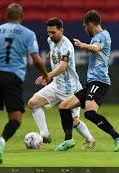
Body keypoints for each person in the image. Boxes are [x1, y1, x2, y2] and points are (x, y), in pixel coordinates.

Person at [0, 3, 49, 164]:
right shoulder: (28, 33)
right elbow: (35, 58)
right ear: (21, 17)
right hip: (13, 78)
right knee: (16, 119)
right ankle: (1, 140)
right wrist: (44, 73)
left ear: (6, 16)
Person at [59, 10, 119, 152]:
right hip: (91, 83)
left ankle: (117, 137)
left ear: (90, 24)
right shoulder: (96, 37)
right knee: (64, 106)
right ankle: (68, 140)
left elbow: (96, 48)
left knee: (89, 113)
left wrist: (83, 45)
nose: (85, 29)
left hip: (100, 82)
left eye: (85, 26)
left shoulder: (102, 36)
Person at [27, 17, 95, 151]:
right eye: (49, 32)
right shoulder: (50, 40)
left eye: (53, 32)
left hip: (70, 88)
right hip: (56, 85)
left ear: (61, 30)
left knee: (74, 121)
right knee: (32, 104)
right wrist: (50, 55)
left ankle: (90, 139)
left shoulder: (67, 46)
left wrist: (47, 75)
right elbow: (53, 51)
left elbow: (63, 67)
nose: (50, 35)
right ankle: (44, 134)